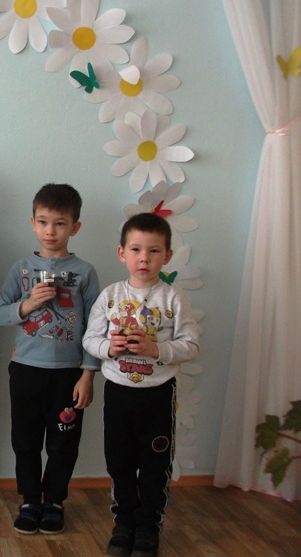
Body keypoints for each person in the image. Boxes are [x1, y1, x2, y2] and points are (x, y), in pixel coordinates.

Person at [82, 212, 200, 557]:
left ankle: (148, 526)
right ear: (122, 253)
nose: (144, 258)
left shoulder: (174, 299)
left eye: (153, 251)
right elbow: (89, 339)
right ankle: (124, 522)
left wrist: (156, 350)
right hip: (118, 392)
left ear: (167, 256)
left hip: (158, 395)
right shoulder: (110, 295)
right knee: (119, 461)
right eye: (136, 249)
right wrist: (109, 347)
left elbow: (191, 346)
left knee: (154, 464)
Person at [0, 183, 100, 535]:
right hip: (26, 370)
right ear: (33, 223)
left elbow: (95, 327)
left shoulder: (85, 272)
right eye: (43, 222)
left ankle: (54, 501)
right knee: (25, 440)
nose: (50, 231)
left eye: (60, 223)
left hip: (68, 374)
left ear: (75, 227)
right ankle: (29, 500)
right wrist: (28, 304)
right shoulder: (22, 269)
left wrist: (88, 374)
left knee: (63, 442)